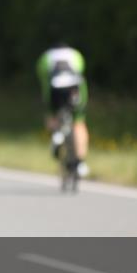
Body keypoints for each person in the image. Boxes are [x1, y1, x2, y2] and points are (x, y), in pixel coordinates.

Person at [36, 43, 89, 177]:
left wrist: (49, 108)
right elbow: (81, 75)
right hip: (74, 88)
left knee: (52, 115)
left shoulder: (45, 58)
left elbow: (44, 81)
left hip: (54, 88)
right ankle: (80, 162)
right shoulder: (76, 54)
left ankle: (56, 134)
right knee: (79, 122)